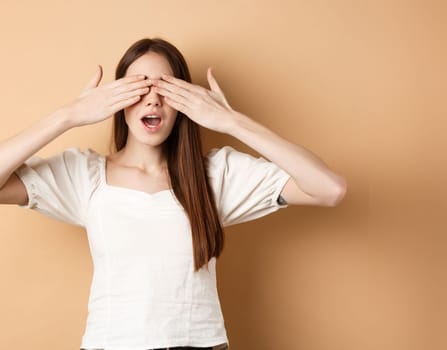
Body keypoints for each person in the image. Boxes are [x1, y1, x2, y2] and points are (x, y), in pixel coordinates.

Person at [0, 38, 346, 350]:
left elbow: (329, 188)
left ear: (186, 100)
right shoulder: (85, 176)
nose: (152, 97)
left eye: (166, 87)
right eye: (139, 86)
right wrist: (69, 116)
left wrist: (231, 122)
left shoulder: (215, 176)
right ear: (117, 100)